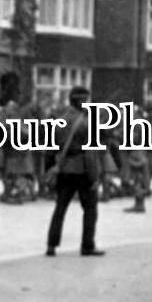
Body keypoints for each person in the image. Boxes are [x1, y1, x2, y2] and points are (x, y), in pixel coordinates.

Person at [45, 85, 105, 257]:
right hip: (83, 171)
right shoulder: (88, 123)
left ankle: (51, 245)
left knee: (60, 209)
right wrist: (95, 177)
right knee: (90, 209)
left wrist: (51, 170)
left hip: (64, 170)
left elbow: (51, 149)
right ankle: (87, 245)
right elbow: (90, 154)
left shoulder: (60, 120)